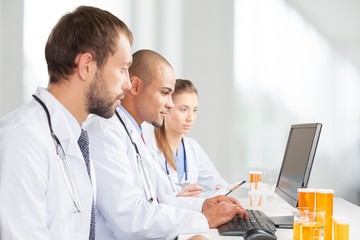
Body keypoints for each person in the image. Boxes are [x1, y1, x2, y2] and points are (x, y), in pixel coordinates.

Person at [84, 49, 248, 240]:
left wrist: (203, 205)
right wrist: (203, 218)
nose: (170, 104)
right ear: (135, 86)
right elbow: (130, 219)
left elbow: (159, 201)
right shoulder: (105, 132)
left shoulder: (134, 133)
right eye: (165, 93)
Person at [0, 6, 133, 239]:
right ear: (86, 65)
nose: (128, 85)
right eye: (122, 69)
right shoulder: (23, 138)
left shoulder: (78, 137)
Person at [149, 79, 228, 197]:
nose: (190, 118)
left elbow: (219, 184)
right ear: (167, 107)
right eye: (183, 110)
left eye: (194, 110)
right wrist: (177, 198)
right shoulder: (148, 149)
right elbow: (146, 201)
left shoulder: (193, 148)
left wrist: (220, 191)